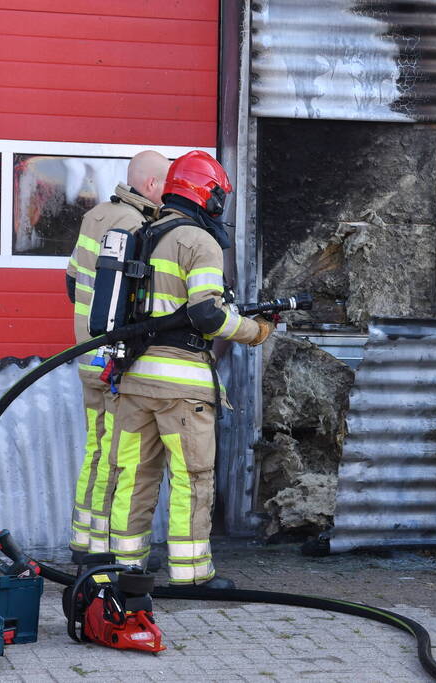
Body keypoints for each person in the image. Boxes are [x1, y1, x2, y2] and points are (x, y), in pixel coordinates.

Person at [106, 150, 273, 587]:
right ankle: (192, 575)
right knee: (192, 480)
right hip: (182, 387)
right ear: (208, 195)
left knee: (133, 478)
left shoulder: (142, 233)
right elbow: (208, 317)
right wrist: (255, 331)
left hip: (134, 380)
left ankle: (125, 569)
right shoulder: (199, 243)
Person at [66, 150, 170, 562]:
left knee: (96, 449)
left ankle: (85, 542)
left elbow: (73, 281)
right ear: (150, 186)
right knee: (117, 455)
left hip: (88, 355)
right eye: (167, 186)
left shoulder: (97, 216)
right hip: (113, 361)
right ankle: (106, 549)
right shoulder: (136, 225)